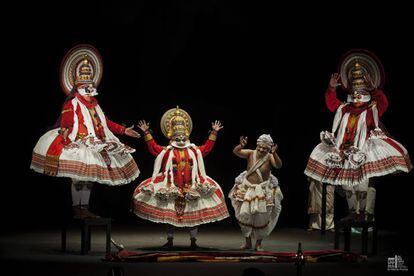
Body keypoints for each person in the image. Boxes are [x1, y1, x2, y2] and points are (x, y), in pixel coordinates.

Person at [30, 44, 140, 218]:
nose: (89, 90)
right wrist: (67, 139)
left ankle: (84, 208)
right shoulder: (71, 103)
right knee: (78, 178)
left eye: (90, 86)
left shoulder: (95, 104)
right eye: (85, 86)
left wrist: (124, 131)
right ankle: (76, 208)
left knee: (88, 178)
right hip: (78, 141)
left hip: (94, 142)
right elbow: (66, 123)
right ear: (78, 86)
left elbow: (106, 123)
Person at [304, 50, 412, 222]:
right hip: (344, 150)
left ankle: (365, 215)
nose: (356, 96)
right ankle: (353, 212)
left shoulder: (371, 109)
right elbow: (332, 103)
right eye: (354, 93)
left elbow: (383, 102)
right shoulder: (344, 109)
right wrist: (332, 87)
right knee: (346, 184)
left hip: (362, 151)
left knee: (362, 184)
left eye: (360, 93)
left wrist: (374, 88)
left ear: (366, 93)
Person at [132, 107, 229, 249]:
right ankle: (170, 241)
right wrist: (146, 132)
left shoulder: (194, 150)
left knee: (194, 216)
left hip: (191, 186)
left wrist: (214, 132)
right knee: (169, 216)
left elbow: (207, 148)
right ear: (172, 136)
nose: (181, 139)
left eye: (183, 136)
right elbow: (153, 148)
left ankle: (193, 242)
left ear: (187, 135)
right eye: (178, 137)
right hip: (171, 186)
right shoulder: (166, 151)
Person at [229, 135, 283, 251]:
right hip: (247, 188)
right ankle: (247, 242)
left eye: (265, 148)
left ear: (269, 149)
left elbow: (278, 165)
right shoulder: (250, 153)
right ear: (257, 145)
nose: (261, 150)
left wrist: (274, 153)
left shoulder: (269, 157)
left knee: (261, 217)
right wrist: (241, 146)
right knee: (245, 216)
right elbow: (236, 152)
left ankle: (258, 244)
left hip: (262, 190)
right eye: (260, 147)